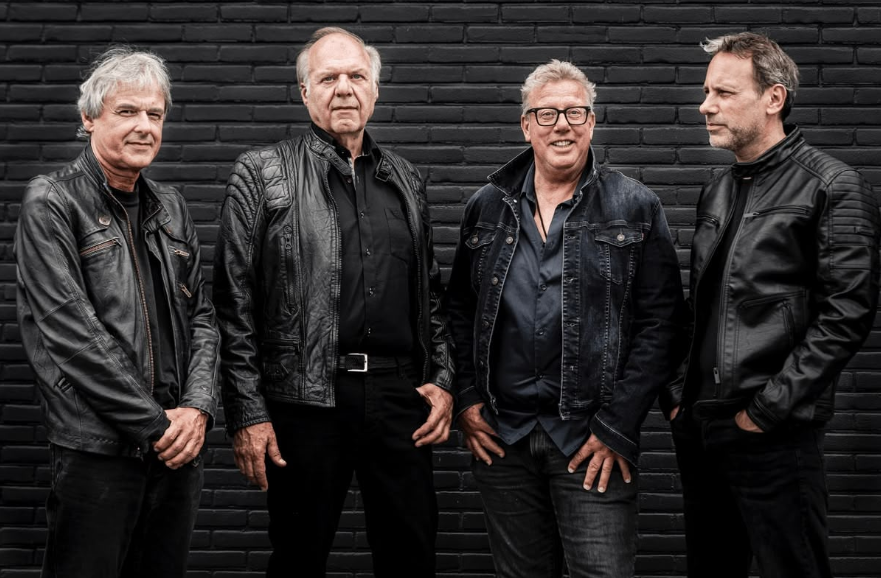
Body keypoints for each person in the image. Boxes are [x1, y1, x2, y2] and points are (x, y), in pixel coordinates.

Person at [213, 27, 455, 578]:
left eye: (356, 76)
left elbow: (430, 294)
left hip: (399, 399)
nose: (344, 88)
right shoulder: (262, 173)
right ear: (305, 92)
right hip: (305, 402)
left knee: (412, 558)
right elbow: (233, 304)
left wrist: (442, 379)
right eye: (328, 78)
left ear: (375, 89)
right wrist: (248, 412)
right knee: (298, 559)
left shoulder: (405, 178)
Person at [445, 60, 684, 578]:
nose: (562, 125)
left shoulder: (635, 206)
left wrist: (618, 425)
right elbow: (459, 312)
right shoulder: (486, 207)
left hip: (591, 440)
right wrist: (465, 399)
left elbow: (662, 324)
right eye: (547, 113)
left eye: (575, 112)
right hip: (503, 438)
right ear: (526, 125)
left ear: (591, 122)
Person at [662, 32, 880, 578]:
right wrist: (679, 397)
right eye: (706, 91)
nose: (705, 105)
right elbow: (702, 304)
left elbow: (846, 314)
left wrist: (765, 412)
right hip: (703, 427)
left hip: (773, 432)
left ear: (773, 98)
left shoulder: (831, 186)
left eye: (724, 93)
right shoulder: (718, 189)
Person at [14, 47, 220, 578]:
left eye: (155, 114)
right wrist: (155, 425)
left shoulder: (171, 207)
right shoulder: (52, 202)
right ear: (89, 118)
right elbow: (73, 336)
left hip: (175, 450)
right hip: (98, 452)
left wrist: (197, 409)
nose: (144, 126)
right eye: (127, 111)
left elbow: (202, 318)